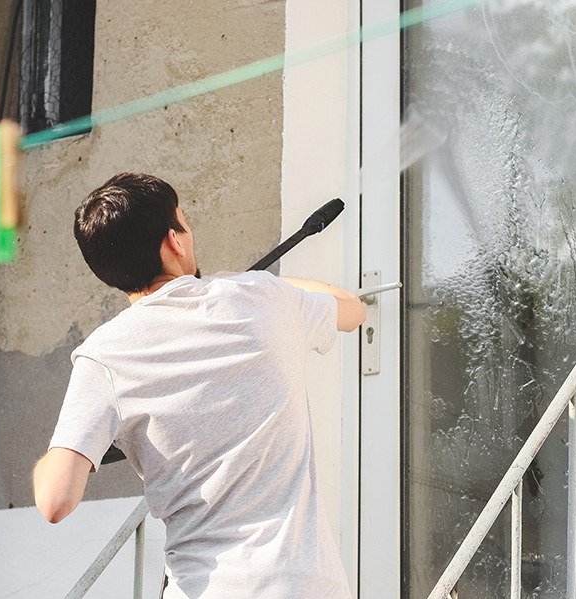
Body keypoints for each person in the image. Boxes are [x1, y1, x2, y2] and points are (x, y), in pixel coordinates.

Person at [32, 173, 364, 598]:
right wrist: (262, 286)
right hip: (305, 585)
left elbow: (55, 500)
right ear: (175, 242)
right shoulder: (262, 297)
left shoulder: (103, 356)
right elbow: (351, 310)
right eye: (184, 225)